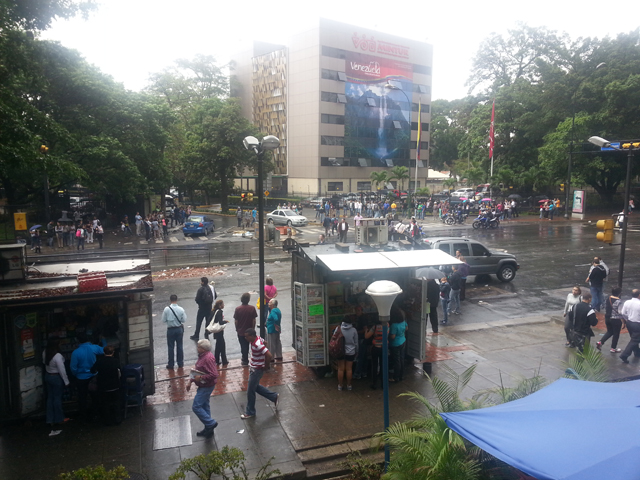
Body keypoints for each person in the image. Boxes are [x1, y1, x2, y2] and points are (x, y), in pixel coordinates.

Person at [240, 328, 278, 419]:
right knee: (255, 387)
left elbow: (269, 355)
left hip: (256, 370)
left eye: (247, 336)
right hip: (254, 368)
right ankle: (274, 397)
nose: (245, 338)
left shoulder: (257, 345)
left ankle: (250, 412)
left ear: (252, 336)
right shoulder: (257, 339)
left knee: (250, 391)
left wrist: (266, 366)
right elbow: (265, 342)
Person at [187, 339, 219, 438]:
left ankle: (210, 423)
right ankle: (208, 429)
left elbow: (214, 374)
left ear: (203, 349)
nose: (197, 348)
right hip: (203, 385)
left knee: (196, 406)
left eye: (198, 347)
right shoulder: (203, 356)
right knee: (205, 406)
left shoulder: (207, 358)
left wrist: (200, 378)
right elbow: (198, 371)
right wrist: (191, 381)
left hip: (206, 386)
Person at [70, 332, 104, 421]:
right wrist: (103, 340)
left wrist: (76, 374)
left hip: (81, 378)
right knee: (95, 397)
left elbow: (73, 367)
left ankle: (83, 416)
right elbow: (105, 349)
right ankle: (95, 414)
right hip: (93, 377)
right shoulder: (93, 348)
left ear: (78, 341)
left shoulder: (75, 352)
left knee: (82, 398)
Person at [43, 339, 70, 436]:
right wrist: (66, 381)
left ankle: (50, 419)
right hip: (56, 377)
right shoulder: (57, 356)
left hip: (48, 376)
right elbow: (62, 370)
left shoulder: (45, 352)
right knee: (57, 398)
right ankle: (59, 418)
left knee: (50, 398)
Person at [90, 345, 121, 425]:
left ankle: (107, 420)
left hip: (103, 386)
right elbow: (120, 371)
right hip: (115, 385)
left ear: (104, 352)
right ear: (113, 352)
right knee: (116, 402)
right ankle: (117, 419)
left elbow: (92, 370)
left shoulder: (99, 361)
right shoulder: (116, 361)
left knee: (105, 404)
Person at [597, 286, 625, 353]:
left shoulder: (608, 298)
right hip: (616, 319)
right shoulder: (619, 301)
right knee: (616, 334)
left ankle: (600, 342)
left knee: (610, 331)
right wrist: (624, 321)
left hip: (607, 318)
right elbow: (621, 312)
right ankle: (613, 348)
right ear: (619, 293)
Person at [162, 294, 186, 369]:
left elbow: (163, 320)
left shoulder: (166, 309)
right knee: (180, 346)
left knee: (170, 347)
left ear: (170, 300)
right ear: (177, 300)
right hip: (179, 329)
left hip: (170, 330)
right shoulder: (181, 309)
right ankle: (180, 363)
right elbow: (184, 320)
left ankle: (171, 364)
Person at [336, 315, 358, 391]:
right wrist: (356, 351)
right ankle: (349, 385)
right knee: (349, 369)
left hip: (340, 351)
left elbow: (334, 339)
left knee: (341, 369)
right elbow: (356, 343)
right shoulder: (353, 330)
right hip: (351, 351)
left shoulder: (338, 329)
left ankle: (340, 385)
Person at [234, 293, 257, 366]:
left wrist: (237, 328)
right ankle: (254, 358)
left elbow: (236, 321)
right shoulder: (252, 308)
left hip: (241, 331)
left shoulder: (238, 309)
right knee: (252, 344)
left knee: (243, 345)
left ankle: (245, 359)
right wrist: (253, 328)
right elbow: (254, 320)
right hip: (250, 330)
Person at [620, 289, 640, 364]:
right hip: (637, 323)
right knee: (634, 340)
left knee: (634, 338)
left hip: (629, 323)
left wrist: (626, 320)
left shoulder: (627, 302)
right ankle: (624, 355)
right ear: (639, 295)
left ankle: (637, 352)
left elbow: (623, 313)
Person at [389, 307, 408, 383]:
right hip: (403, 341)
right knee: (401, 359)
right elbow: (406, 328)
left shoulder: (394, 325)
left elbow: (393, 336)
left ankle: (395, 377)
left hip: (395, 344)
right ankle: (401, 375)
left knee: (397, 361)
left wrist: (388, 335)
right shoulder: (403, 322)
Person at [366, 320, 385, 390]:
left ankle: (374, 383)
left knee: (374, 365)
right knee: (383, 365)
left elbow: (367, 336)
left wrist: (366, 330)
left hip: (376, 348)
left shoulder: (375, 327)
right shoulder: (387, 325)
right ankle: (383, 384)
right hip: (384, 348)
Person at [209, 300, 228, 366]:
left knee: (219, 345)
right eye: (223, 304)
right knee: (221, 345)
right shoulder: (219, 312)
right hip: (219, 331)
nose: (224, 305)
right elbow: (220, 322)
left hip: (216, 331)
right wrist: (225, 322)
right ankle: (223, 360)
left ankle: (219, 359)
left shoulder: (213, 311)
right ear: (220, 305)